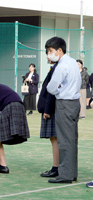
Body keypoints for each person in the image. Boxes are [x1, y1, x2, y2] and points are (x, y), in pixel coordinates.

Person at [46, 37, 81, 184]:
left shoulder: (61, 66)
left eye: (51, 51)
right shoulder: (73, 62)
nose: (49, 54)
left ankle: (65, 175)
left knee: (64, 141)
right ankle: (71, 173)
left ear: (59, 50)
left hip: (64, 103)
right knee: (72, 140)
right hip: (74, 103)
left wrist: (58, 88)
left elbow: (51, 87)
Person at [37, 53, 59, 178]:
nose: (47, 57)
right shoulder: (55, 67)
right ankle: (56, 167)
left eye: (49, 52)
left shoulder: (57, 68)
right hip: (52, 108)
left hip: (52, 109)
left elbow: (52, 91)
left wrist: (48, 110)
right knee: (54, 138)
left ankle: (56, 168)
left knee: (55, 138)